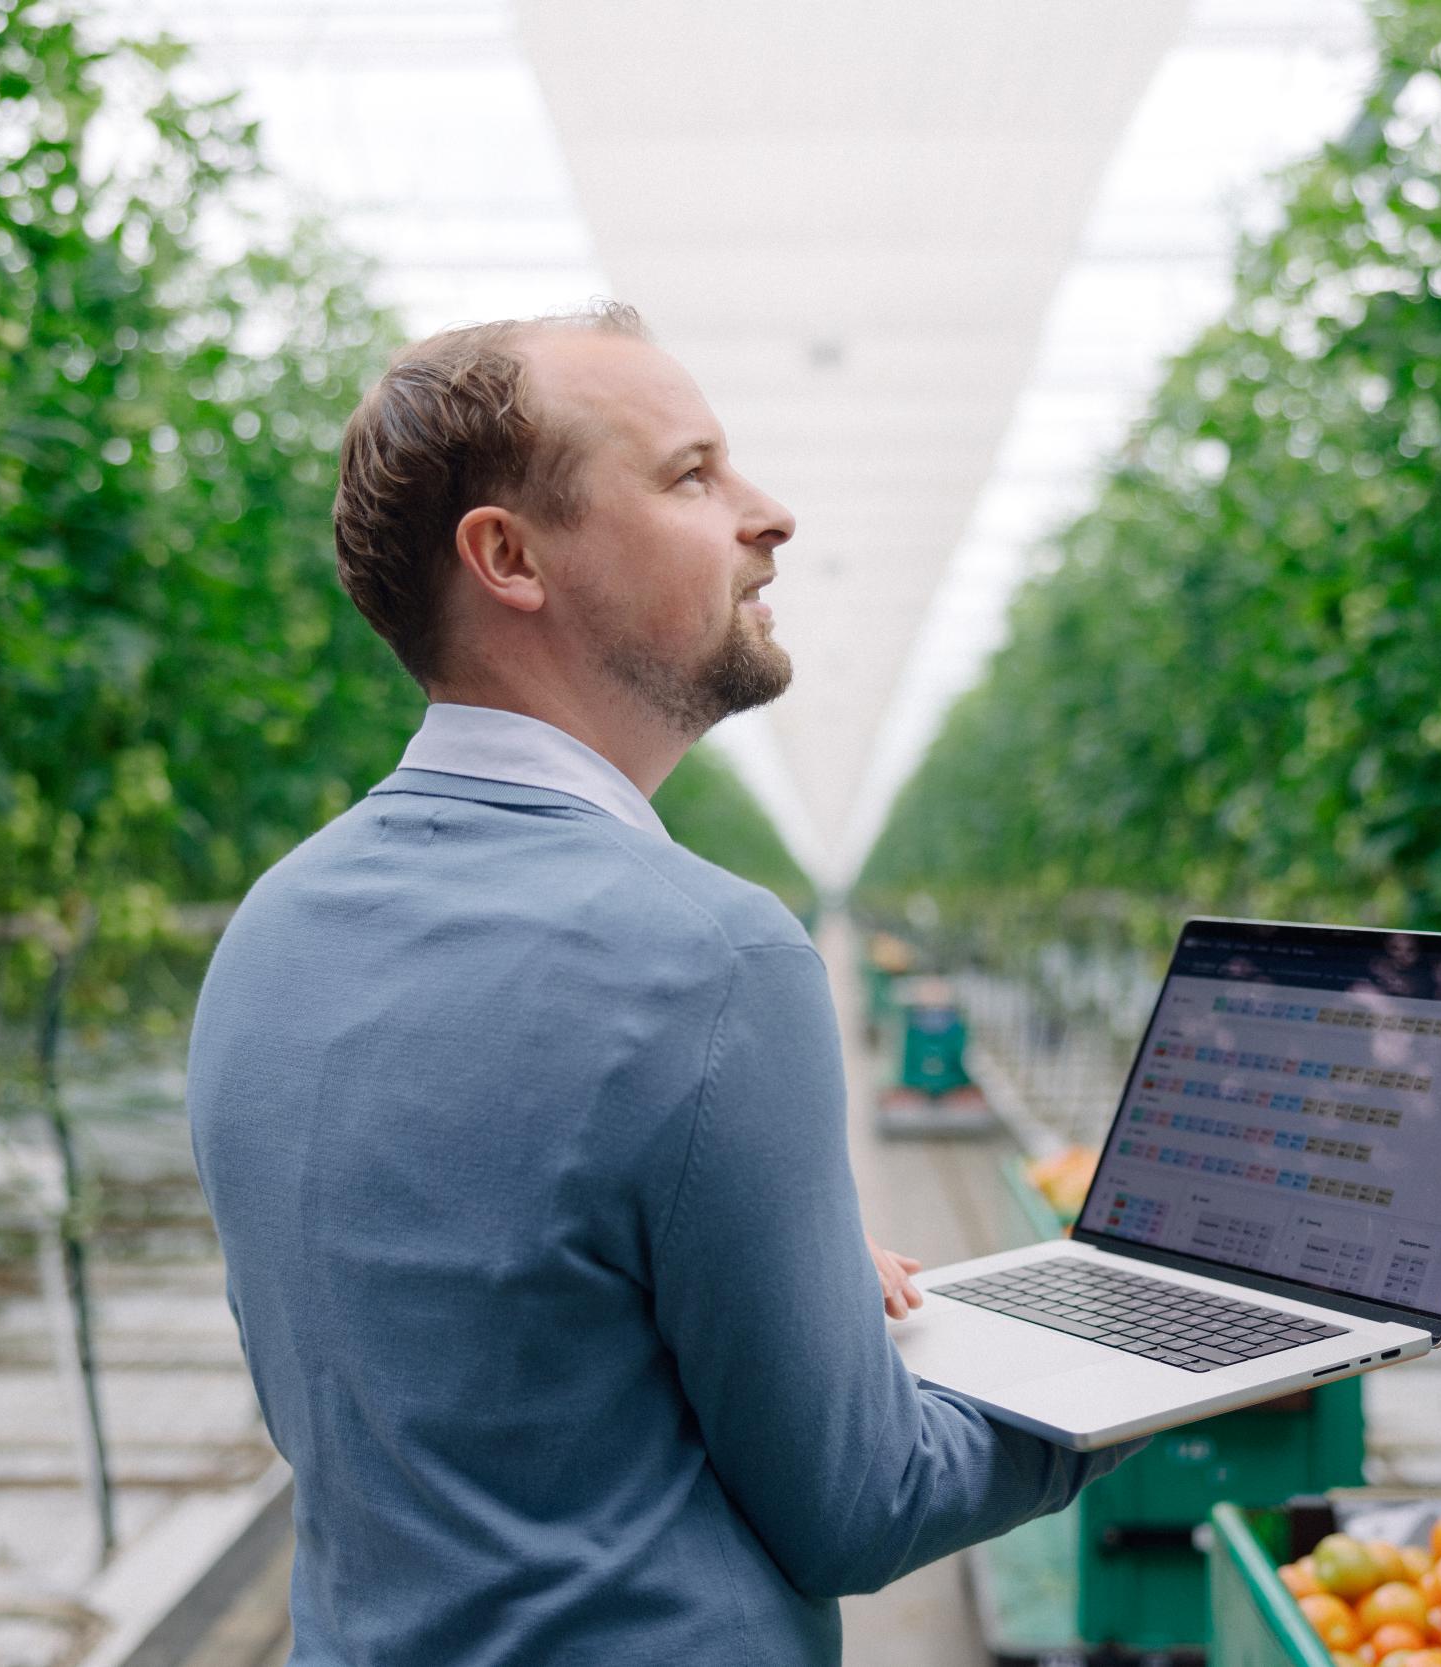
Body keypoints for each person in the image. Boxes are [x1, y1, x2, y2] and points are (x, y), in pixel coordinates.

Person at [186, 301, 1133, 1667]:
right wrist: (1128, 1380)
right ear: (508, 557)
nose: (772, 514)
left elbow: (465, 1325)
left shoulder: (274, 928)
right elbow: (864, 1506)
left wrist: (757, 1280)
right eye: (692, 476)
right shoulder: (711, 955)